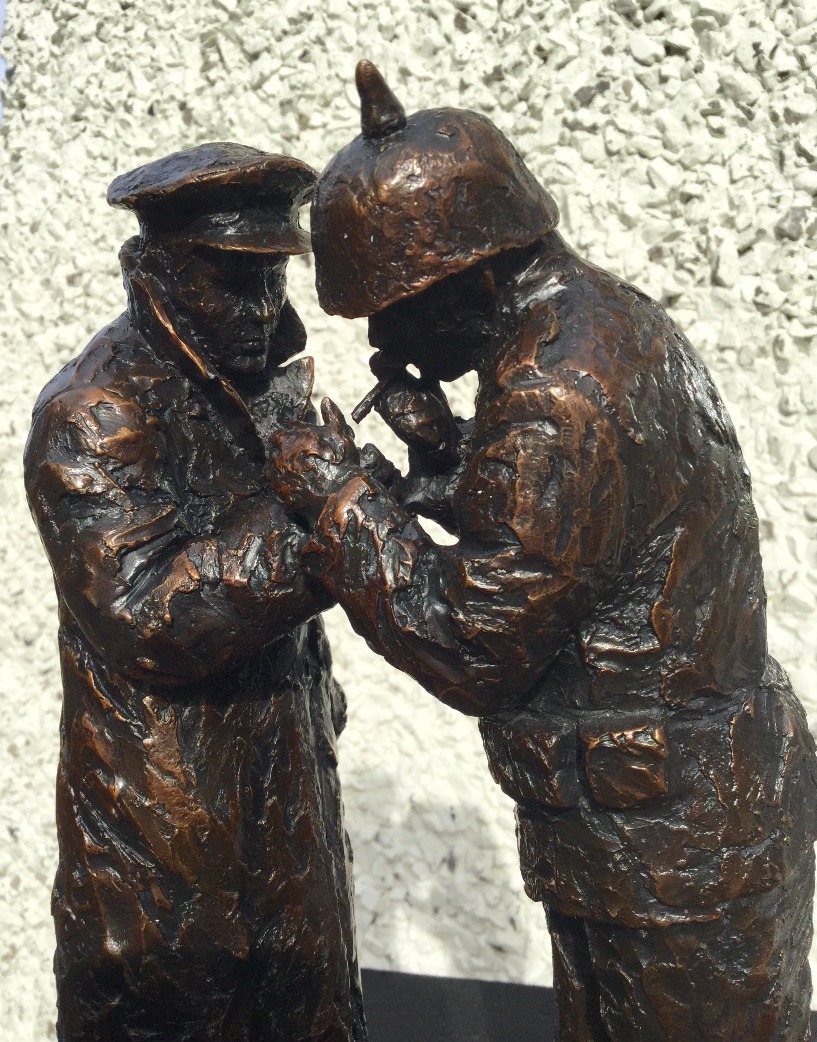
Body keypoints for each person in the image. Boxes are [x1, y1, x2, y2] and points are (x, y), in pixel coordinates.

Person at [266, 63, 817, 1042]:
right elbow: (579, 545)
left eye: (397, 306)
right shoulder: (594, 324)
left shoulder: (555, 390)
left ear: (472, 272)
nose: (384, 334)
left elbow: (476, 644)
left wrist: (340, 499)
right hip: (655, 833)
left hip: (668, 851)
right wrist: (442, 458)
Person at [24, 143, 365, 1042]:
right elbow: (148, 621)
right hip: (165, 831)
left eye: (271, 282)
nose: (261, 313)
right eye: (229, 282)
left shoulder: (267, 388)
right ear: (152, 273)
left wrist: (386, 488)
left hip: (285, 802)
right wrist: (320, 516)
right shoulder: (94, 416)